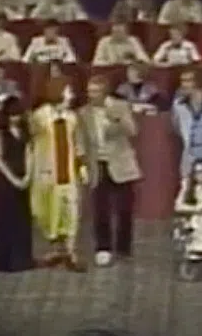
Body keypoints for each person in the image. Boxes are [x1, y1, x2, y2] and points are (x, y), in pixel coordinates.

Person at [79, 75, 142, 266]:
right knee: (100, 209)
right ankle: (103, 247)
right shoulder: (83, 112)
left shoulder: (119, 106)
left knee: (124, 208)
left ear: (104, 92)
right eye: (90, 91)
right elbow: (81, 141)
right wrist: (82, 164)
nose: (92, 95)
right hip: (98, 164)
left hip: (120, 163)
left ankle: (123, 248)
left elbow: (133, 131)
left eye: (96, 91)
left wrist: (117, 118)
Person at [30, 77, 88, 272]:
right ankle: (55, 248)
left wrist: (81, 166)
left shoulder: (72, 117)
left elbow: (78, 143)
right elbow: (32, 140)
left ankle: (71, 251)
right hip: (47, 172)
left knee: (70, 210)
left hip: (68, 172)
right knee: (48, 211)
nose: (71, 96)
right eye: (68, 91)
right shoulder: (40, 116)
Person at [0, 97, 34, 272]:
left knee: (22, 220)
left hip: (23, 178)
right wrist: (13, 179)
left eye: (18, 115)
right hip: (5, 181)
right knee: (6, 219)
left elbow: (29, 153)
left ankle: (22, 258)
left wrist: (27, 176)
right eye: (12, 115)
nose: (15, 118)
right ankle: (5, 260)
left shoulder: (24, 133)